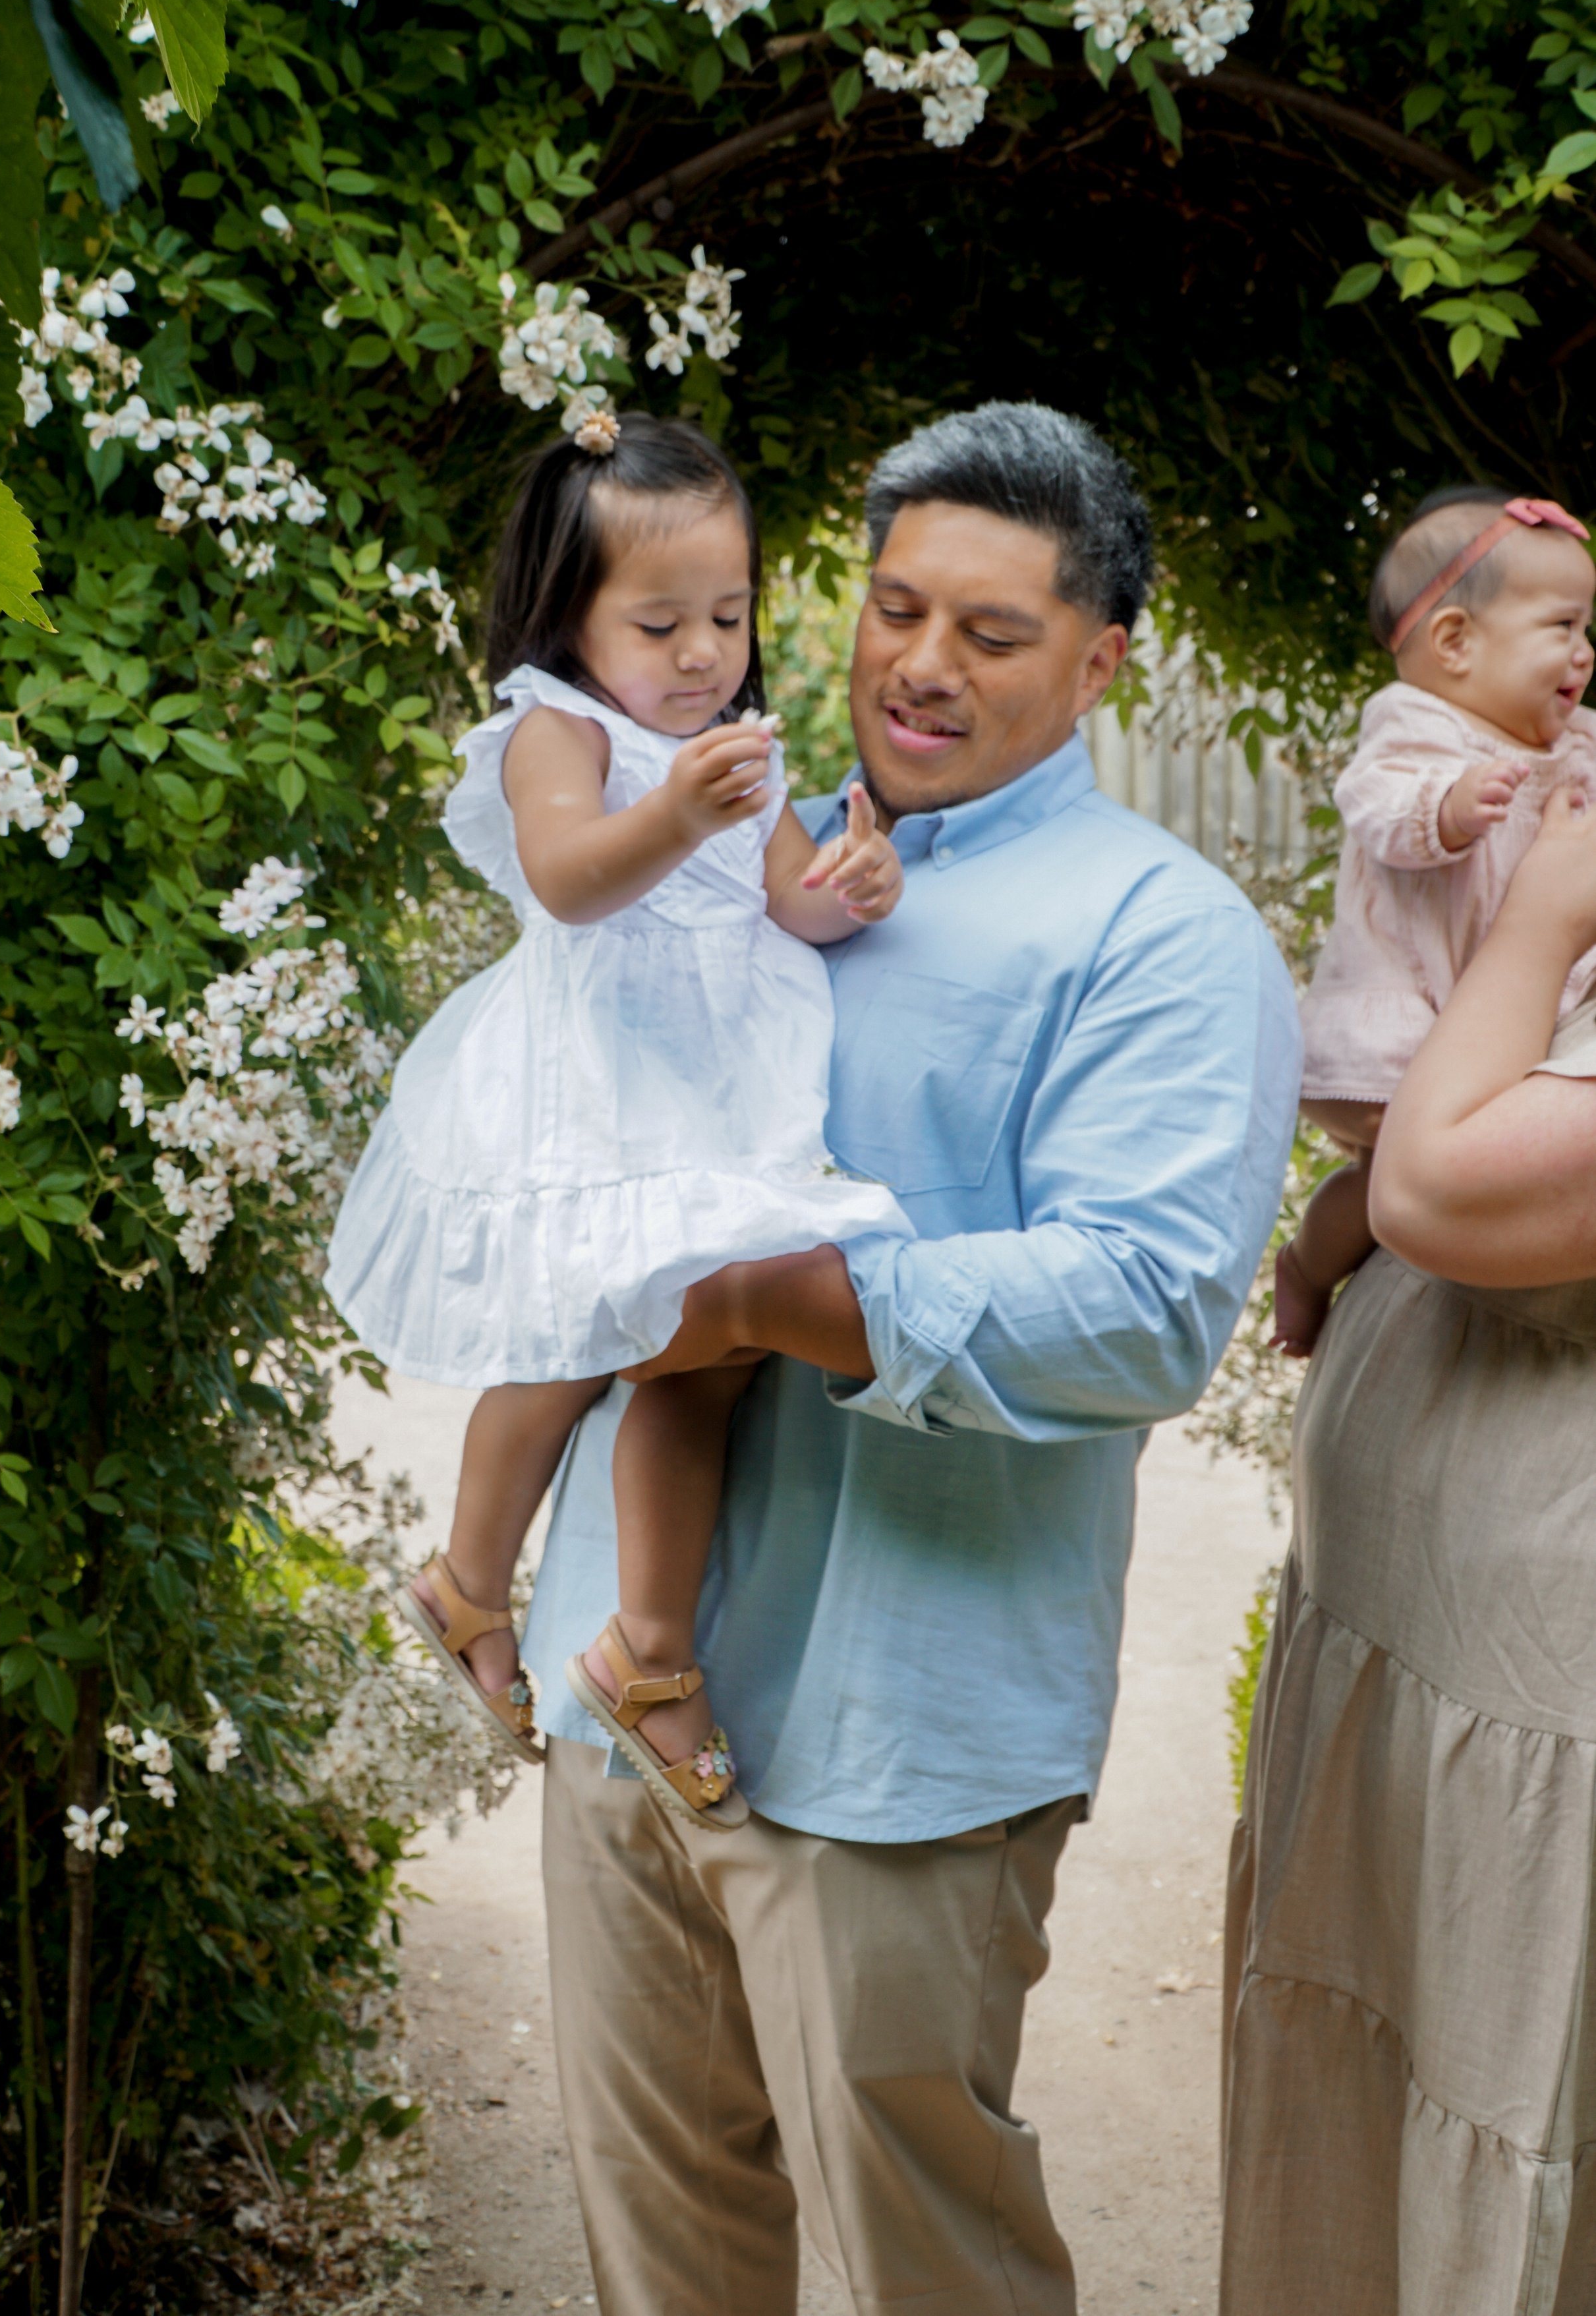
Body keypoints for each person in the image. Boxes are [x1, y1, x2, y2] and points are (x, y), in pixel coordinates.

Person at [519, 401, 1301, 2316]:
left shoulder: (1162, 938)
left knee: (921, 2268)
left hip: (900, 1726)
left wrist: (765, 1297)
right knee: (662, 2262)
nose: (918, 667)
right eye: (889, 610)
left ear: (1101, 658)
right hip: (629, 1697)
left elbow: (1138, 1302)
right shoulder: (718, 851)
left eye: (989, 634)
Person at [325, 414, 907, 1828]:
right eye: (660, 623)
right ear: (570, 616)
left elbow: (785, 900)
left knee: (702, 1360)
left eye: (727, 613)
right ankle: (471, 1574)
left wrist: (849, 886)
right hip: (593, 1083)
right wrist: (680, 820)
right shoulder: (557, 727)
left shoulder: (728, 746)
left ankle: (647, 1651)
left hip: (711, 1103)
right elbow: (571, 879)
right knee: (583, 1336)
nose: (703, 652)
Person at [1221, 779, 1596, 2315]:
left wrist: (1550, 908)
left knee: (1500, 2148)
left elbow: (1433, 1184)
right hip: (1414, 1658)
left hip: (1529, 1709)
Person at [1271, 486, 1596, 1356]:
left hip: (1494, 1025)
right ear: (1455, 641)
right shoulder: (1415, 729)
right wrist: (1448, 809)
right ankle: (1304, 1265)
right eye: (1563, 627)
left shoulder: (1575, 743)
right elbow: (1375, 806)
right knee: (1396, 1177)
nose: (1585, 652)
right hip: (1398, 1029)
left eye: (1587, 630)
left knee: (1420, 1184)